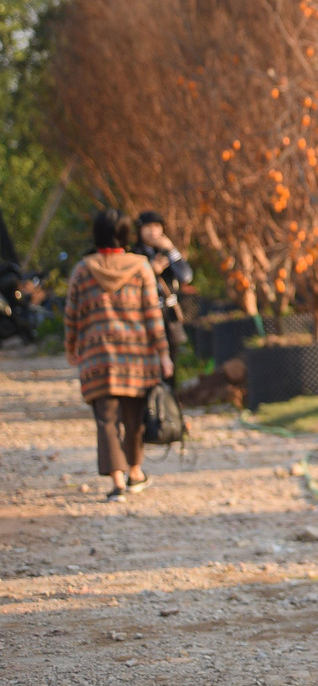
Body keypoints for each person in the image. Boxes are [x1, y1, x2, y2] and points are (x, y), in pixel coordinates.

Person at [65, 209, 171, 501]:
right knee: (134, 418)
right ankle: (135, 472)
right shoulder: (140, 267)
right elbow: (152, 314)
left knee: (106, 421)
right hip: (137, 358)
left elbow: (72, 315)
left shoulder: (83, 270)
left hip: (98, 359)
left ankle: (116, 482)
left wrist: (71, 346)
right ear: (126, 234)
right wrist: (164, 354)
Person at [134, 211, 194, 357]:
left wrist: (171, 249)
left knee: (171, 363)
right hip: (145, 316)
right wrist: (151, 271)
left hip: (168, 316)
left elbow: (186, 276)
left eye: (157, 226)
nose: (153, 230)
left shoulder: (168, 253)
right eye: (148, 226)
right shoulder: (135, 254)